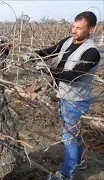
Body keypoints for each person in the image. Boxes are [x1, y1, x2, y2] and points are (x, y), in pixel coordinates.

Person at [25, 11, 101, 180]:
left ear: (91, 29)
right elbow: (51, 51)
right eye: (73, 26)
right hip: (65, 96)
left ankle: (66, 175)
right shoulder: (68, 41)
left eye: (79, 28)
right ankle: (79, 162)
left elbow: (72, 76)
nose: (74, 31)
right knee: (74, 134)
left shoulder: (92, 52)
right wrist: (33, 55)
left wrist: (46, 70)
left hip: (76, 102)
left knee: (69, 138)